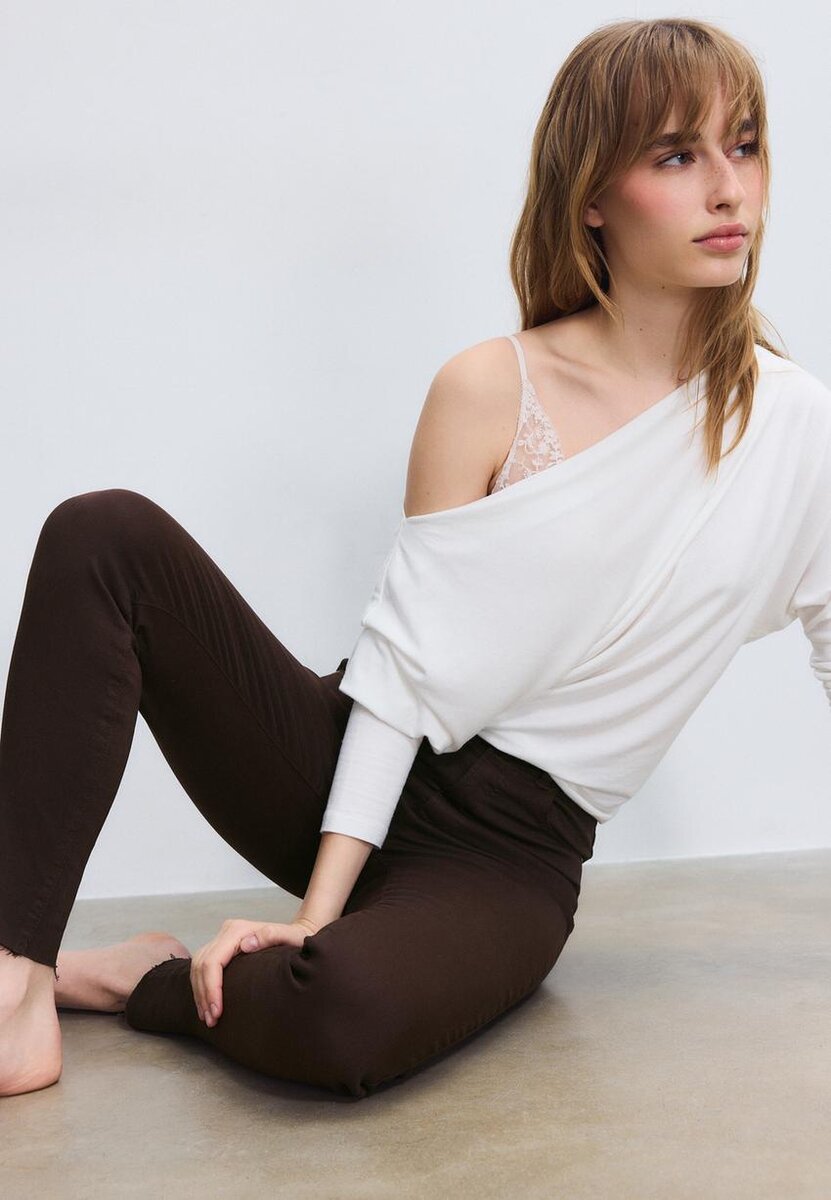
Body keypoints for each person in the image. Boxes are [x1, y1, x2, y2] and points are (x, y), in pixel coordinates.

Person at [1, 17, 829, 1101]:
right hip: (345, 758)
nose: (728, 189)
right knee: (103, 535)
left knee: (338, 1017)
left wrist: (313, 950)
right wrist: (316, 910)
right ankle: (16, 983)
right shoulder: (489, 388)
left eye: (745, 145)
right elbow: (403, 667)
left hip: (508, 857)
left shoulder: (792, 428)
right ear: (592, 193)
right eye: (678, 155)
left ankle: (137, 979)